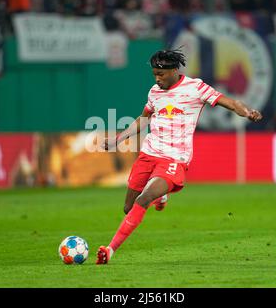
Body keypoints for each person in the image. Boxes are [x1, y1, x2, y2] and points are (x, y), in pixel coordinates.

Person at [96, 49, 263, 264]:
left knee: (143, 199)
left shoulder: (195, 88)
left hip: (174, 159)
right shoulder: (154, 92)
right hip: (149, 154)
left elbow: (230, 102)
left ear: (174, 70)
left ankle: (109, 250)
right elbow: (144, 118)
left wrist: (247, 112)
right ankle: (161, 195)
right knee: (128, 208)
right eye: (154, 74)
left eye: (161, 74)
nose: (157, 78)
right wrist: (118, 139)